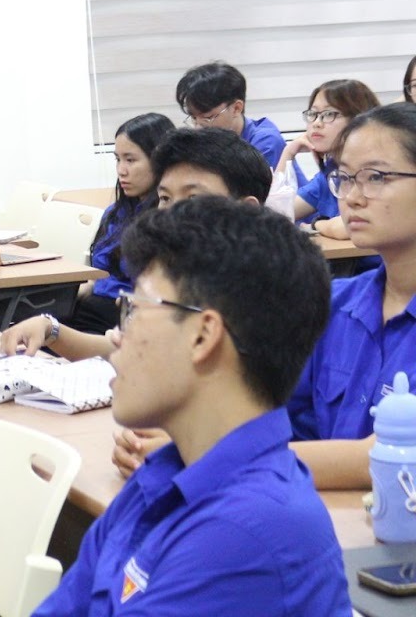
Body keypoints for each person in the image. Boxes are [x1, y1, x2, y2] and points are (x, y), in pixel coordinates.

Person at [30, 196, 348, 616]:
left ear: (203, 335)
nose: (118, 336)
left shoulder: (245, 531)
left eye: (134, 310)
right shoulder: (164, 474)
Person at [1, 128, 270, 364]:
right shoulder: (176, 274)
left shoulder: (262, 298)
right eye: (165, 198)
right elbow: (128, 349)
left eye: (192, 199)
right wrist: (50, 329)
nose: (171, 215)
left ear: (247, 211)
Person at [285, 102, 416, 490]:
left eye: (375, 177)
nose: (352, 198)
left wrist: (218, 462)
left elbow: (389, 458)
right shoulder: (333, 304)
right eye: (344, 178)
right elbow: (282, 419)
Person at [71, 113, 174, 335]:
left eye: (131, 160)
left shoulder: (166, 219)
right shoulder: (115, 213)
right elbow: (100, 276)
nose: (121, 170)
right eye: (117, 159)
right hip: (93, 306)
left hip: (123, 318)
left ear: (159, 161)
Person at [279, 78, 379, 233]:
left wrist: (316, 225)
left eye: (329, 114)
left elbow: (351, 226)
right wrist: (288, 152)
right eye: (313, 114)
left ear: (358, 119)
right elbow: (277, 214)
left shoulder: (375, 172)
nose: (317, 123)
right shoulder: (329, 174)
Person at [174, 61, 285, 167]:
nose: (198, 128)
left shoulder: (265, 143)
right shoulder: (209, 142)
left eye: (208, 117)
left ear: (236, 108)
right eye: (194, 118)